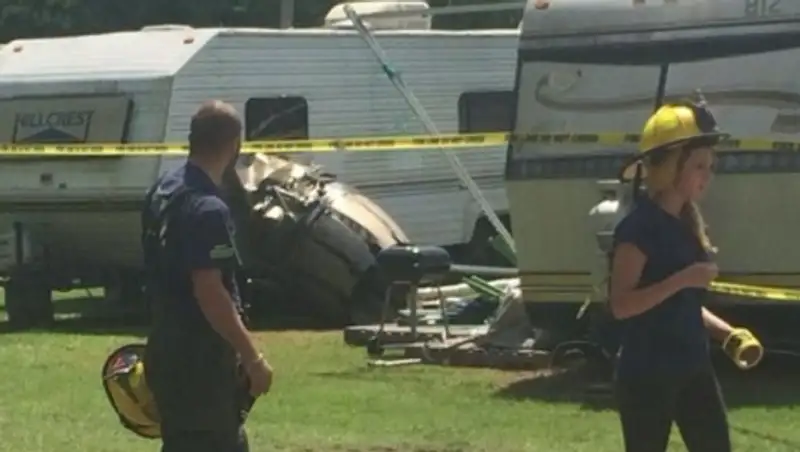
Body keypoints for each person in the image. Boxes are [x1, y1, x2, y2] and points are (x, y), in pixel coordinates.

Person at [609, 99, 761, 452]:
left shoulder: (687, 225)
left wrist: (728, 334)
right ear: (669, 168)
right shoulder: (638, 228)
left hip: (693, 368)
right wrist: (683, 278)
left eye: (711, 166)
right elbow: (621, 305)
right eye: (698, 166)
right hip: (646, 375)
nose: (708, 175)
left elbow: (684, 302)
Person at [141, 100, 273, 452]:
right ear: (235, 145)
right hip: (200, 359)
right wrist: (252, 358)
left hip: (165, 344)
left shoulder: (163, 190)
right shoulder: (208, 207)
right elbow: (210, 291)